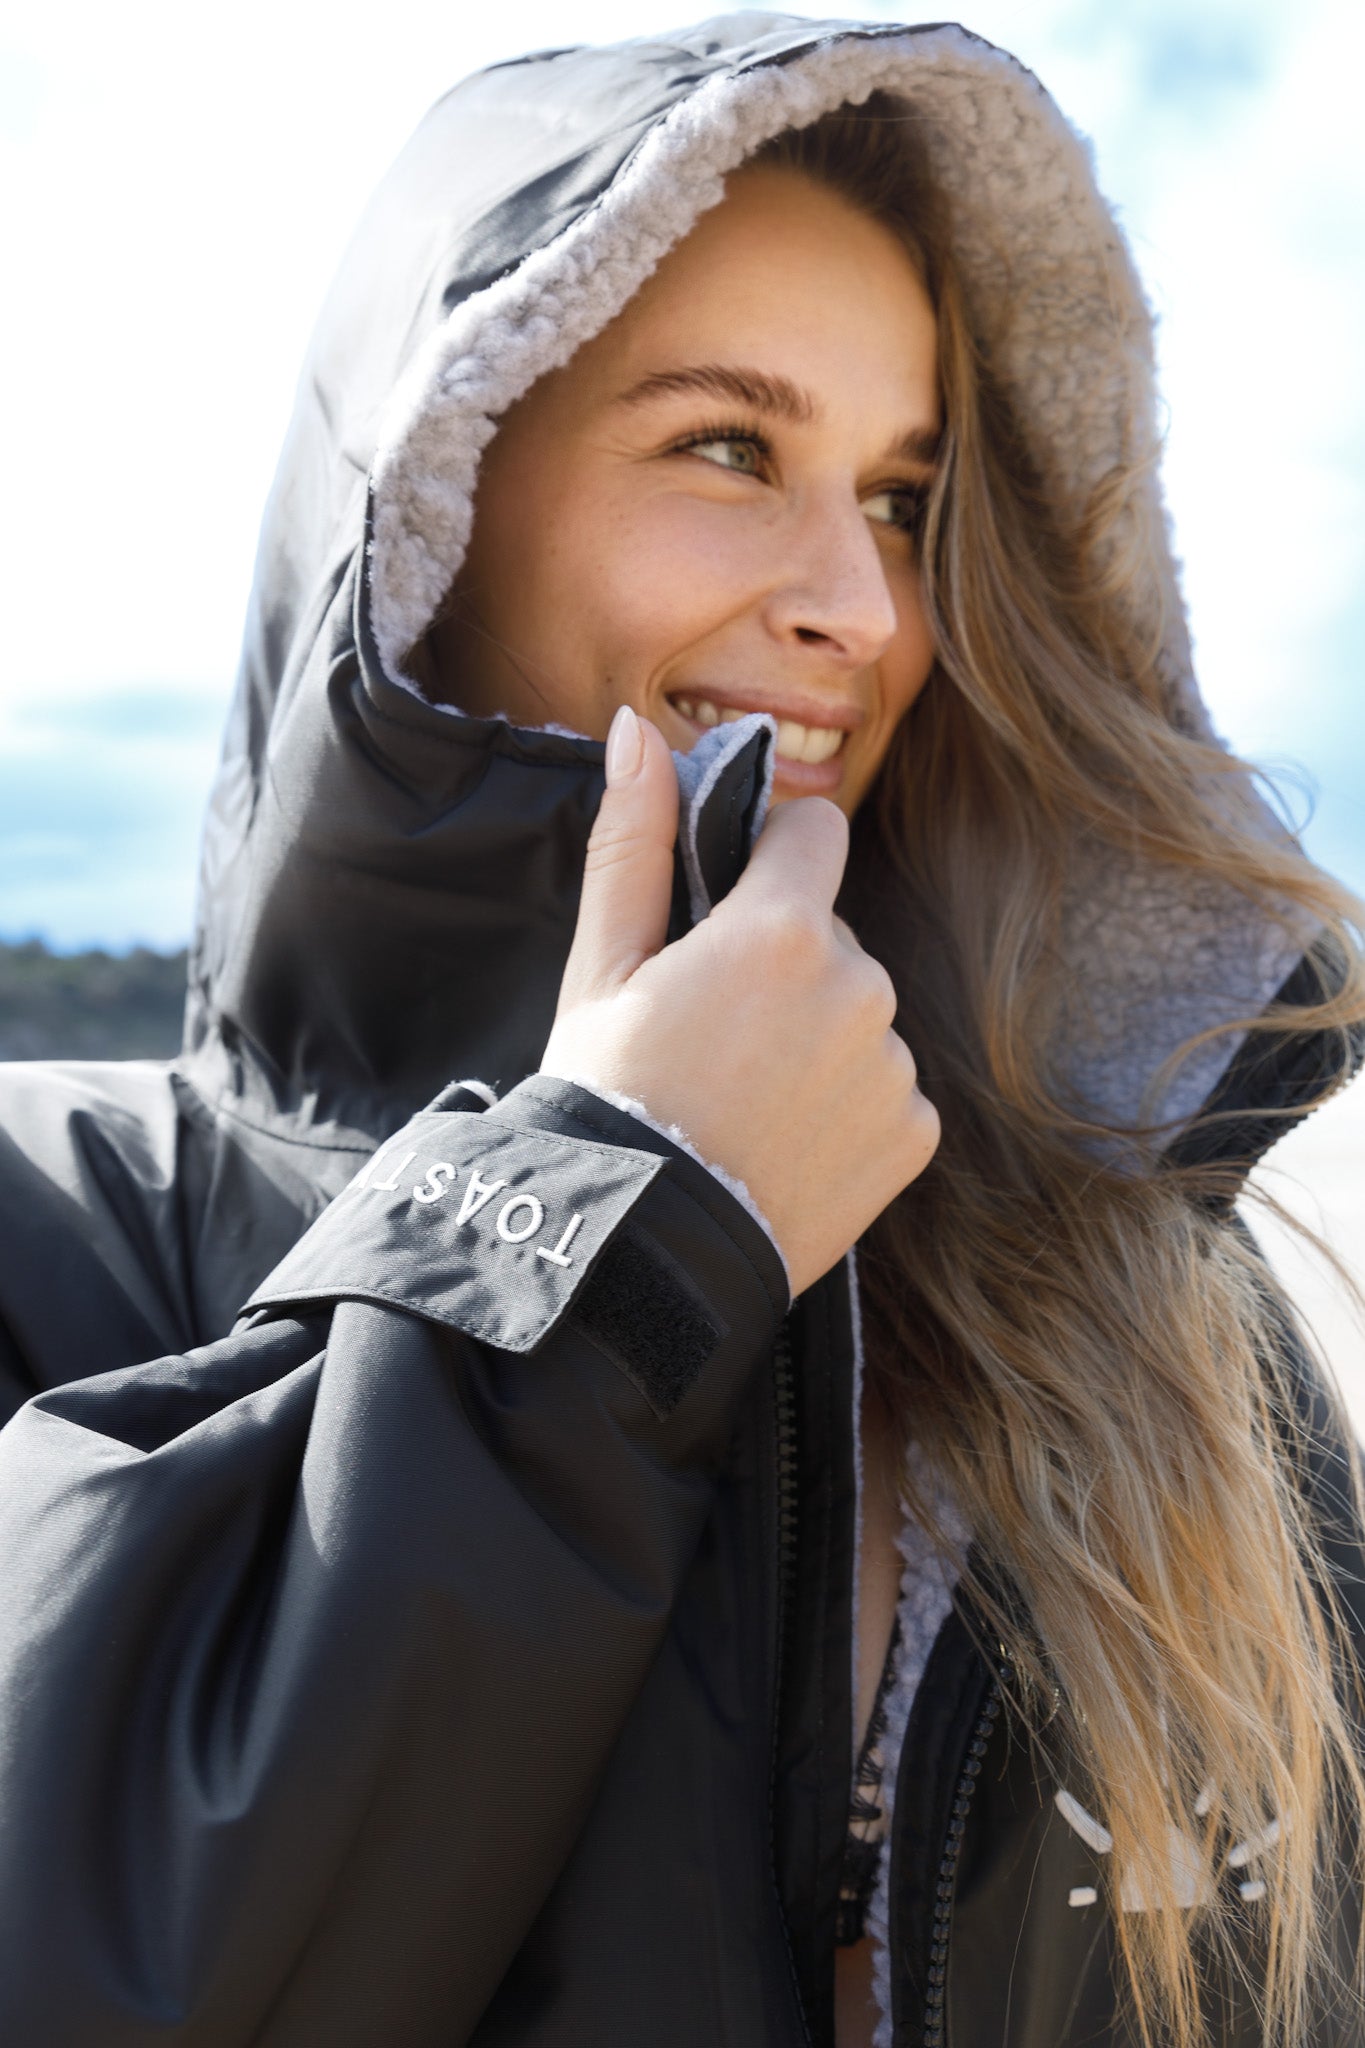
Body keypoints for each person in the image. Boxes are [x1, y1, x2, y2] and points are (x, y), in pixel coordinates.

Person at [0, 15, 1361, 2047]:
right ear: (431, 501)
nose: (863, 609)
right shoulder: (60, 1230)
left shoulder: (1156, 1309)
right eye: (726, 446)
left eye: (899, 497)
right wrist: (616, 1234)